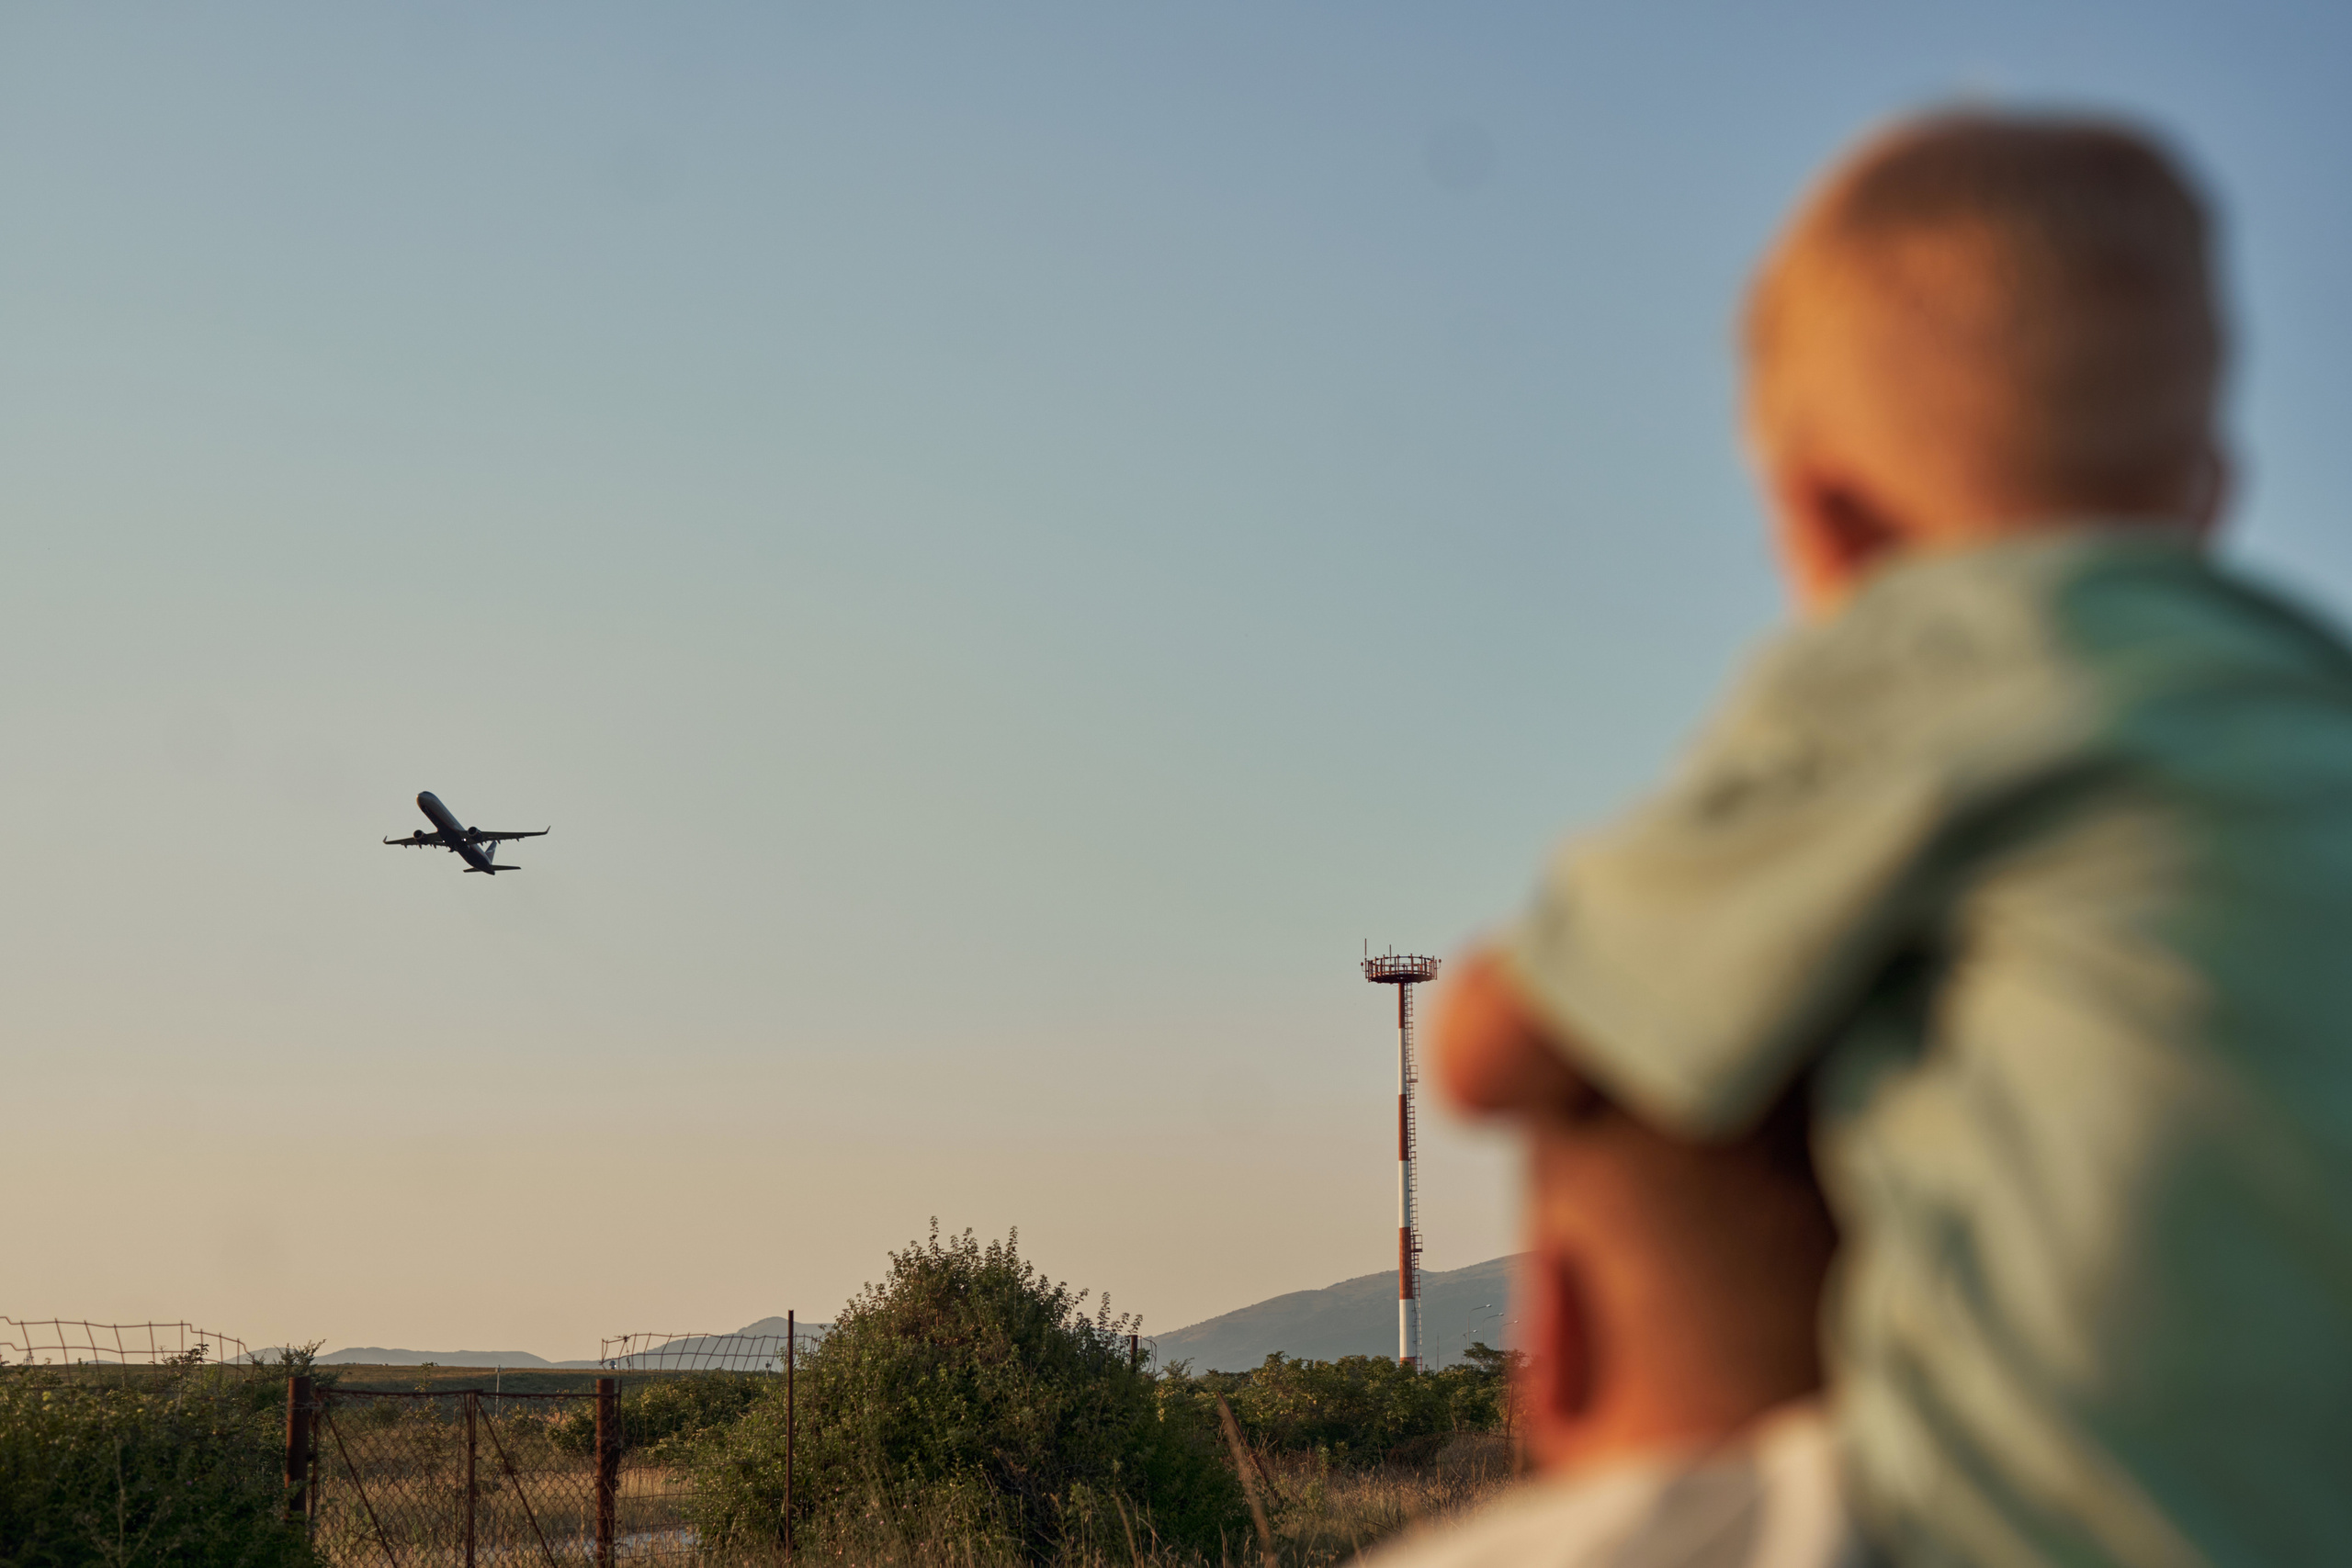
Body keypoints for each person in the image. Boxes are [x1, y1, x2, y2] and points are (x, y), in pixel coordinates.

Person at [1376, 109, 2352, 1567]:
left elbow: (1495, 1049)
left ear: (1827, 521)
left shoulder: (1920, 655)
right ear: (2209, 492)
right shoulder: (2303, 701)